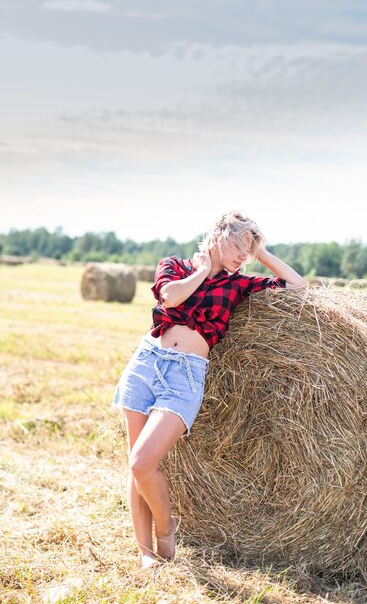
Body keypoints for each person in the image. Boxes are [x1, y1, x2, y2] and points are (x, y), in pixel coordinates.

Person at [112, 211, 307, 569]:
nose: (242, 257)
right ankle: (145, 553)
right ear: (218, 237)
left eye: (249, 251)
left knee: (143, 461)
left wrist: (261, 253)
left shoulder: (240, 284)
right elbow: (169, 297)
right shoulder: (173, 265)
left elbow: (298, 286)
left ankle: (167, 527)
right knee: (135, 466)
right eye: (240, 246)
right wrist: (202, 271)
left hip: (185, 374)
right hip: (145, 364)